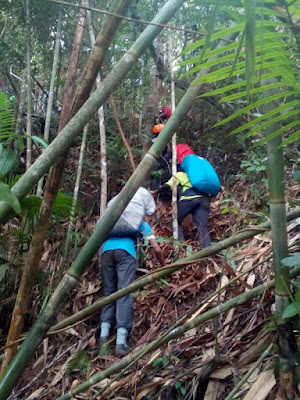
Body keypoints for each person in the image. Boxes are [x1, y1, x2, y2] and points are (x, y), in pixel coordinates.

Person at [99, 190, 165, 356]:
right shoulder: (140, 223)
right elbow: (156, 249)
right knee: (124, 293)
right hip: (125, 253)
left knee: (108, 292)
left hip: (106, 253)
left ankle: (103, 335)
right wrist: (165, 266)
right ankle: (121, 341)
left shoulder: (113, 220)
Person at [155, 146, 213, 247]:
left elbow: (167, 186)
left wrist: (155, 192)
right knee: (202, 227)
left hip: (188, 199)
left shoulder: (180, 174)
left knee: (175, 221)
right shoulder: (199, 174)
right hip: (204, 200)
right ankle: (207, 252)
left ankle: (182, 247)